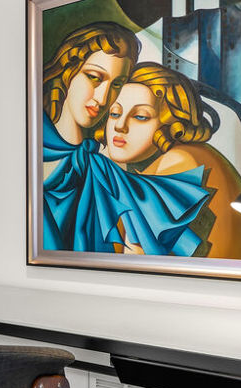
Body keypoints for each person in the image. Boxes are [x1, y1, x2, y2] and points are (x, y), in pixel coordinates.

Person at [41, 25, 209, 255]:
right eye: (94, 77)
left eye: (117, 84)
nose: (102, 98)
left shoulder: (105, 167)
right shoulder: (28, 141)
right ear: (68, 70)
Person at [102, 62, 241, 259]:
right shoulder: (134, 166)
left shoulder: (179, 161)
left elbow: (138, 260)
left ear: (171, 125)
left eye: (141, 117)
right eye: (115, 113)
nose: (120, 125)